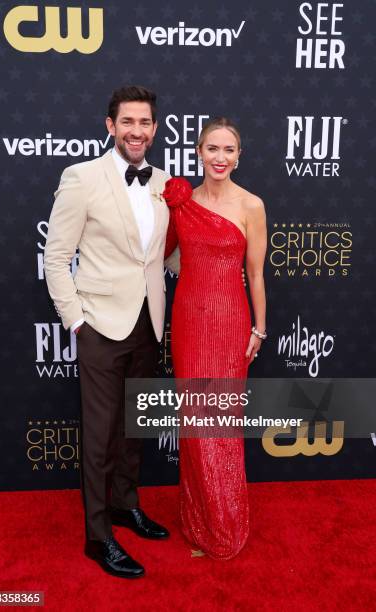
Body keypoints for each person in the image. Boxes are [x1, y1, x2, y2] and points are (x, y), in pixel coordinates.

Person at [44, 86, 177, 579]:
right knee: (99, 436)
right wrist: (76, 320)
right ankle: (98, 537)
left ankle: (126, 506)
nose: (137, 131)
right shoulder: (81, 177)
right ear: (110, 125)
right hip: (99, 323)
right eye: (128, 122)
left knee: (133, 429)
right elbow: (56, 258)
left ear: (155, 128)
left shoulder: (164, 183)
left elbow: (164, 255)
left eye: (145, 123)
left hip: (149, 322)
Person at [163, 117, 267, 560]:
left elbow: (256, 273)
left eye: (229, 150)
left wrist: (259, 328)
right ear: (198, 153)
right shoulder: (182, 203)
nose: (220, 157)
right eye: (212, 149)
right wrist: (194, 274)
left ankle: (225, 523)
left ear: (239, 156)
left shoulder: (251, 205)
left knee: (219, 423)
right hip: (189, 318)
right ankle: (197, 519)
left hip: (230, 322)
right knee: (195, 421)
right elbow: (165, 256)